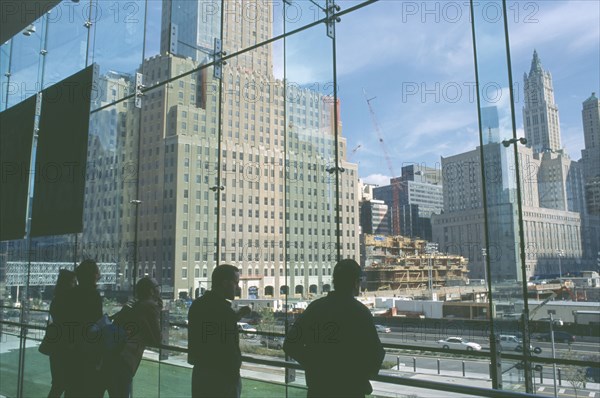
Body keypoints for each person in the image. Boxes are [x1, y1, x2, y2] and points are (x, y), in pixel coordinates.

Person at [283, 259, 385, 398]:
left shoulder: (316, 308)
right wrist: (361, 374)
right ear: (355, 283)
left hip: (319, 388)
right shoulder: (359, 312)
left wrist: (314, 365)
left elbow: (290, 344)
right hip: (351, 389)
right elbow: (376, 352)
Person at [188, 264, 251, 398]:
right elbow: (227, 345)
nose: (238, 288)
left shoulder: (197, 305)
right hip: (223, 378)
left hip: (201, 373)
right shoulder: (224, 311)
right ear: (225, 283)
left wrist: (236, 315)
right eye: (236, 283)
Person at [102, 277, 163, 398]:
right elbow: (157, 338)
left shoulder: (132, 306)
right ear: (151, 291)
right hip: (125, 360)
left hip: (110, 357)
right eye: (157, 287)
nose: (159, 290)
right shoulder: (149, 307)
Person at [64, 259, 103, 398]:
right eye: (97, 272)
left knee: (73, 389)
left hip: (72, 350)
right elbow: (96, 324)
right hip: (88, 351)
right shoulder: (94, 296)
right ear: (93, 275)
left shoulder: (70, 294)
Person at [47, 269, 77, 398]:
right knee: (65, 384)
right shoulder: (68, 301)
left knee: (58, 384)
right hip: (66, 347)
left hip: (56, 347)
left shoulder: (56, 300)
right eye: (73, 282)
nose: (75, 285)